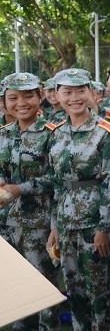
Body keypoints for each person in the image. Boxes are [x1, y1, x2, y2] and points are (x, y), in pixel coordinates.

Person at [46, 68, 110, 331]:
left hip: (94, 228)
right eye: (67, 92)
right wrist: (55, 225)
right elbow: (57, 184)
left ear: (91, 93)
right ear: (57, 95)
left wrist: (104, 228)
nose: (74, 98)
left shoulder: (106, 133)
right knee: (74, 291)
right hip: (67, 226)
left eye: (80, 91)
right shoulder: (55, 133)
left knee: (100, 294)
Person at [0, 73, 61, 330]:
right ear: (4, 101)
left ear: (40, 97)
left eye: (28, 96)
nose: (21, 103)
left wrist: (19, 189)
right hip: (7, 223)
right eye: (13, 98)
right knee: (15, 287)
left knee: (43, 287)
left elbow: (59, 179)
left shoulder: (53, 133)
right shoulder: (3, 133)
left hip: (40, 223)